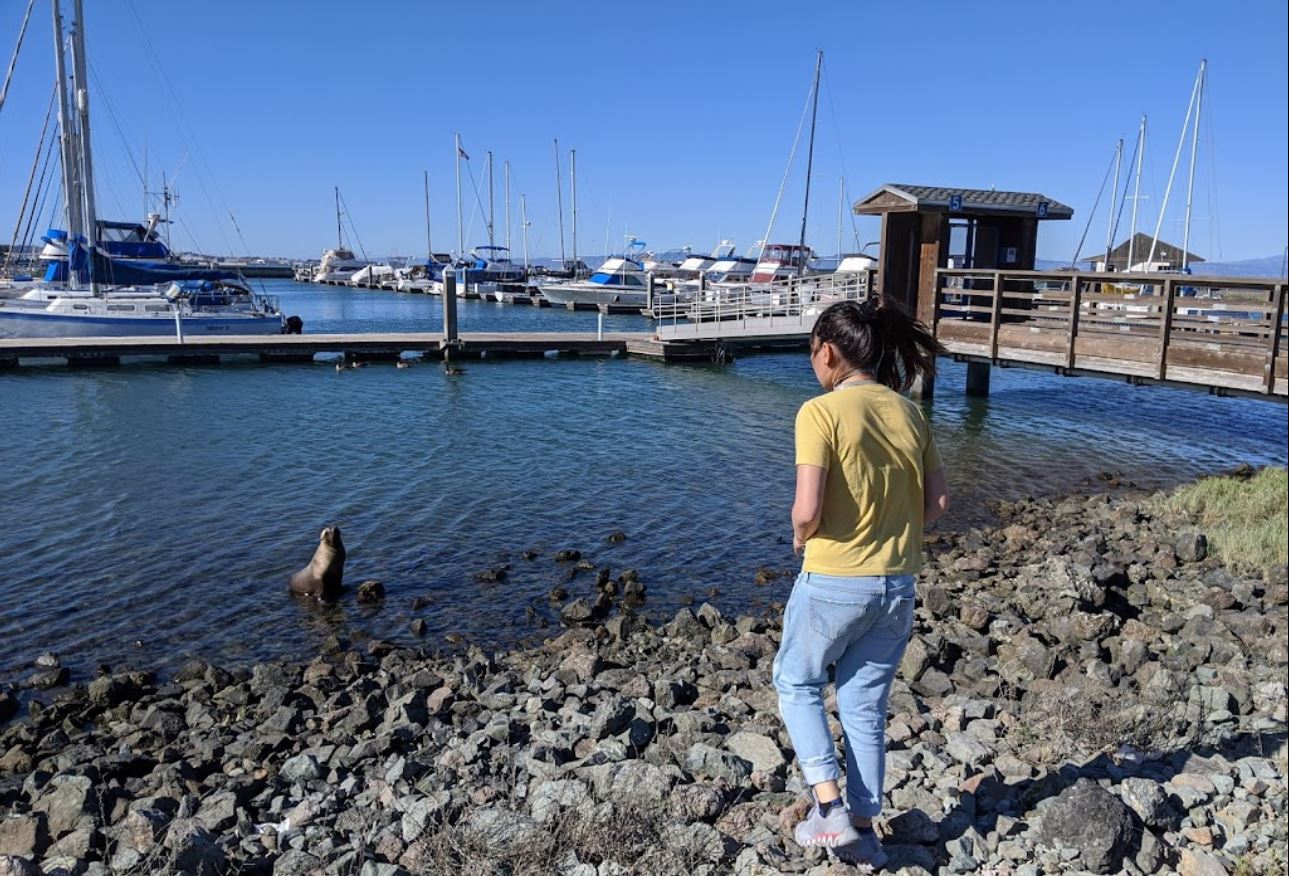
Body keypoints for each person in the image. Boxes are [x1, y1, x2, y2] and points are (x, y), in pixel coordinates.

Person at [773, 297, 951, 867]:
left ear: (827, 352)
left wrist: (803, 536)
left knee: (796, 682)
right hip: (897, 584)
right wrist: (893, 530)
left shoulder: (818, 413)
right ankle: (863, 827)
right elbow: (939, 502)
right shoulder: (910, 412)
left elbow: (807, 508)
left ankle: (828, 805)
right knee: (865, 705)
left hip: (834, 578)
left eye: (812, 355)